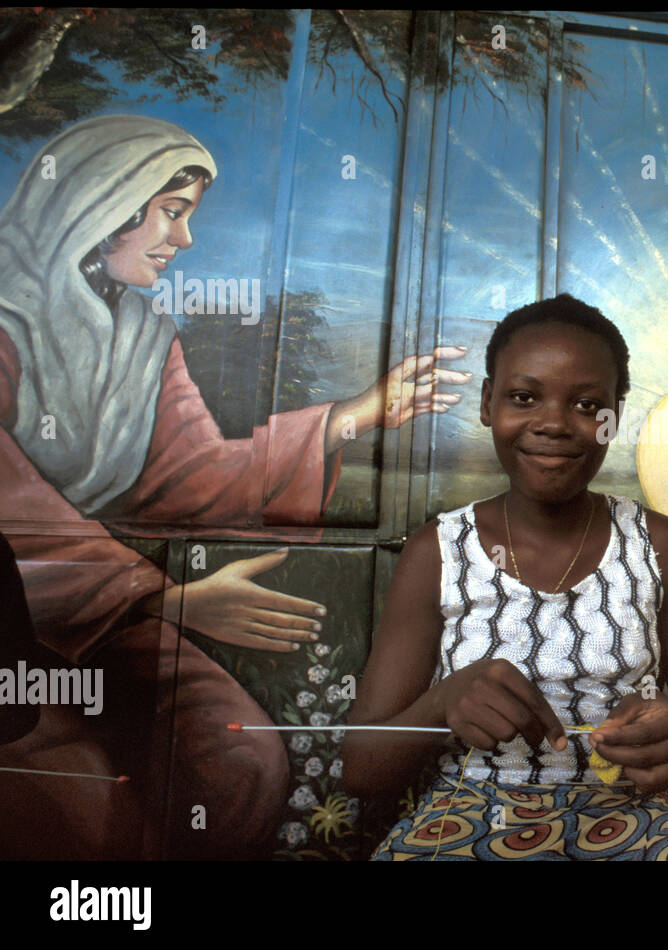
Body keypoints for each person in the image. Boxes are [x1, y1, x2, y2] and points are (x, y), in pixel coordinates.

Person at [0, 114, 466, 857]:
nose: (183, 241)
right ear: (99, 202)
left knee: (238, 763)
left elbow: (194, 478)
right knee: (71, 804)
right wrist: (163, 600)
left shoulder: (143, 338)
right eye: (172, 212)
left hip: (103, 617)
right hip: (22, 620)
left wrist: (349, 418)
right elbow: (11, 500)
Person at [346, 294, 668, 860]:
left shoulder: (660, 543)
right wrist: (441, 704)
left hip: (631, 813)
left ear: (613, 419)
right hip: (468, 812)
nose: (553, 423)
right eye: (524, 397)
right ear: (487, 403)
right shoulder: (438, 550)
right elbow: (361, 767)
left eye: (585, 404)